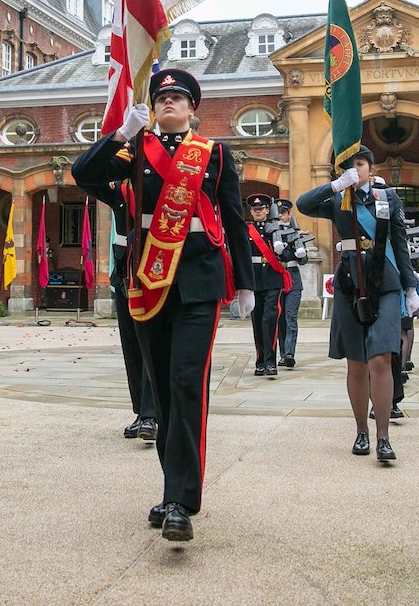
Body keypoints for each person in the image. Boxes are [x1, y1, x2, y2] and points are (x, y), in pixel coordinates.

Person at [72, 68, 254, 542]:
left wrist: (246, 284)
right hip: (149, 282)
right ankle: (174, 488)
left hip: (198, 282)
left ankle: (180, 502)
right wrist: (122, 133)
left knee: (186, 385)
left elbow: (234, 222)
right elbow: (83, 174)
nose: (167, 103)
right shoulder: (134, 153)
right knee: (164, 389)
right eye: (161, 97)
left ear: (193, 107)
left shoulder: (213, 154)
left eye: (177, 97)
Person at [298, 146, 419, 465]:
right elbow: (303, 204)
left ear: (371, 167)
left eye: (360, 164)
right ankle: (360, 431)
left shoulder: (388, 198)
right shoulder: (338, 199)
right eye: (348, 166)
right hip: (350, 283)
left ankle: (383, 437)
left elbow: (398, 240)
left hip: (385, 281)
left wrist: (410, 284)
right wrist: (335, 185)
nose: (355, 170)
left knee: (381, 358)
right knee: (356, 363)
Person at [73, 173, 158, 443]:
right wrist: (114, 143)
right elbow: (85, 174)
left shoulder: (160, 180)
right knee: (132, 345)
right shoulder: (119, 188)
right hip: (125, 272)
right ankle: (141, 411)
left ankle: (151, 414)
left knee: (150, 344)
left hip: (156, 271)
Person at [244, 194, 289, 377]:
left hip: (272, 277)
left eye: (261, 209)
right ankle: (260, 360)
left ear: (267, 210)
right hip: (255, 278)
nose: (258, 212)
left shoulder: (276, 228)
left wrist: (282, 249)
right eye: (255, 210)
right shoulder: (246, 230)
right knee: (257, 319)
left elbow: (288, 256)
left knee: (270, 319)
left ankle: (270, 361)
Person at [273, 200, 306, 368]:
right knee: (280, 319)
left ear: (288, 214)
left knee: (291, 317)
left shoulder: (296, 232)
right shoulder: (272, 232)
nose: (281, 216)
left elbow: (303, 260)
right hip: (278, 277)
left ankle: (290, 353)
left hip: (293, 278)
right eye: (279, 213)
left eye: (284, 213)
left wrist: (299, 252)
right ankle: (282, 353)